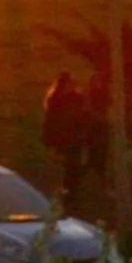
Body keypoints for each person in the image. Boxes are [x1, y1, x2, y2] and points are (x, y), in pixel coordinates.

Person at [40, 70, 93, 213]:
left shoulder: (73, 99)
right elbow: (51, 122)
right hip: (66, 140)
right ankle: (68, 198)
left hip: (73, 140)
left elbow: (83, 117)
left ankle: (69, 196)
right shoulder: (57, 101)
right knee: (69, 170)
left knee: (73, 169)